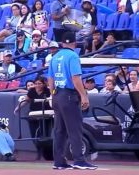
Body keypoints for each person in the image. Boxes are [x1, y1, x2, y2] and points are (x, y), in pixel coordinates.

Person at [47, 32, 97, 170]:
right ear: (74, 43)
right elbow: (76, 78)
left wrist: (52, 94)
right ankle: (79, 160)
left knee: (59, 130)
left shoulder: (55, 56)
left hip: (57, 95)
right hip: (69, 95)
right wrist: (84, 96)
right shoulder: (73, 56)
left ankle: (59, 161)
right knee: (75, 129)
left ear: (62, 43)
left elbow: (50, 79)